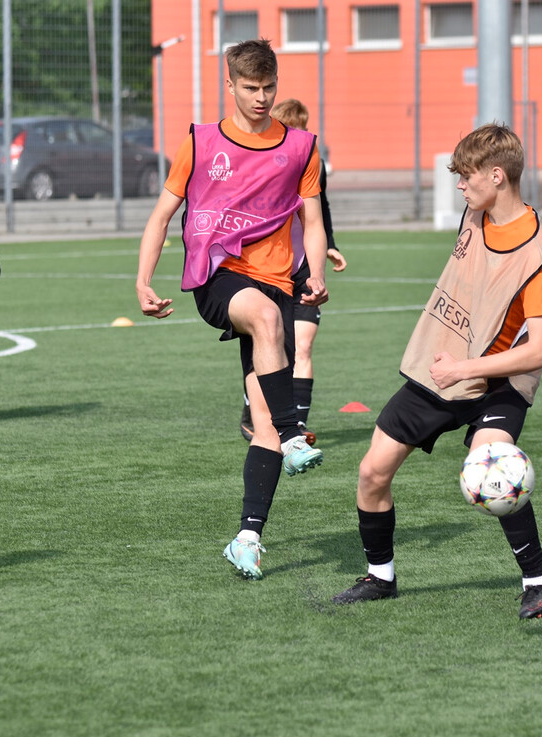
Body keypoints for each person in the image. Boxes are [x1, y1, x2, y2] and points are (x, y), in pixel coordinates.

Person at [331, 123, 542, 619]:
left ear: (497, 176)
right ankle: (380, 577)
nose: (460, 185)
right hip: (440, 365)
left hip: (494, 381)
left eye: (467, 176)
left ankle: (538, 584)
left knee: (496, 469)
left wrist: (475, 365)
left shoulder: (540, 255)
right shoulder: (475, 212)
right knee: (372, 471)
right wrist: (465, 361)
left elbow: (540, 350)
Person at [136, 39, 329, 580]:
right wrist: (143, 280)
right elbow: (160, 216)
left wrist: (313, 272)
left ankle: (247, 537)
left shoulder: (301, 147)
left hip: (280, 282)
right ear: (230, 84)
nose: (262, 97)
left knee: (262, 418)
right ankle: (296, 434)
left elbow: (312, 221)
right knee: (265, 322)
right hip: (219, 276)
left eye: (269, 87)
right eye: (251, 88)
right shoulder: (200, 142)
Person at [237, 98, 347, 446]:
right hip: (267, 268)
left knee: (303, 345)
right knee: (272, 345)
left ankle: (295, 427)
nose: (298, 135)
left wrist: (330, 244)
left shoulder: (312, 160)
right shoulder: (262, 160)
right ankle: (253, 409)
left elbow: (319, 209)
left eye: (303, 127)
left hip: (303, 268)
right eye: (291, 126)